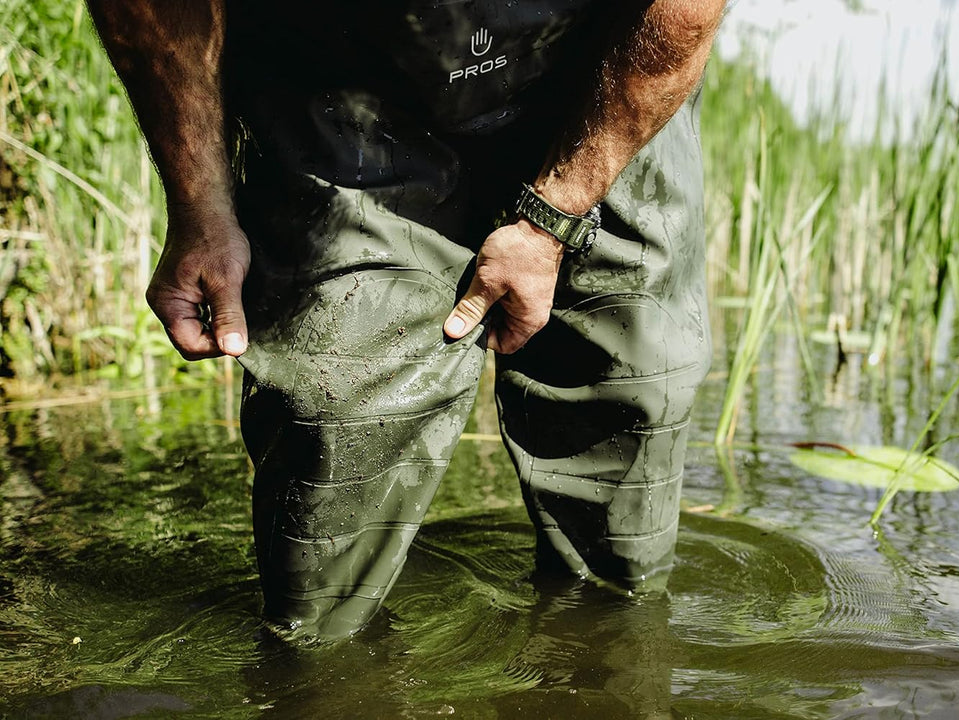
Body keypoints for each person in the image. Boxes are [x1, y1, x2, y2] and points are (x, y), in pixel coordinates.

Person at [87, 0, 726, 641]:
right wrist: (201, 205)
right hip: (340, 71)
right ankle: (319, 678)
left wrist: (552, 217)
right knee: (334, 424)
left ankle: (608, 646)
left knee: (630, 391)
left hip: (608, 64)